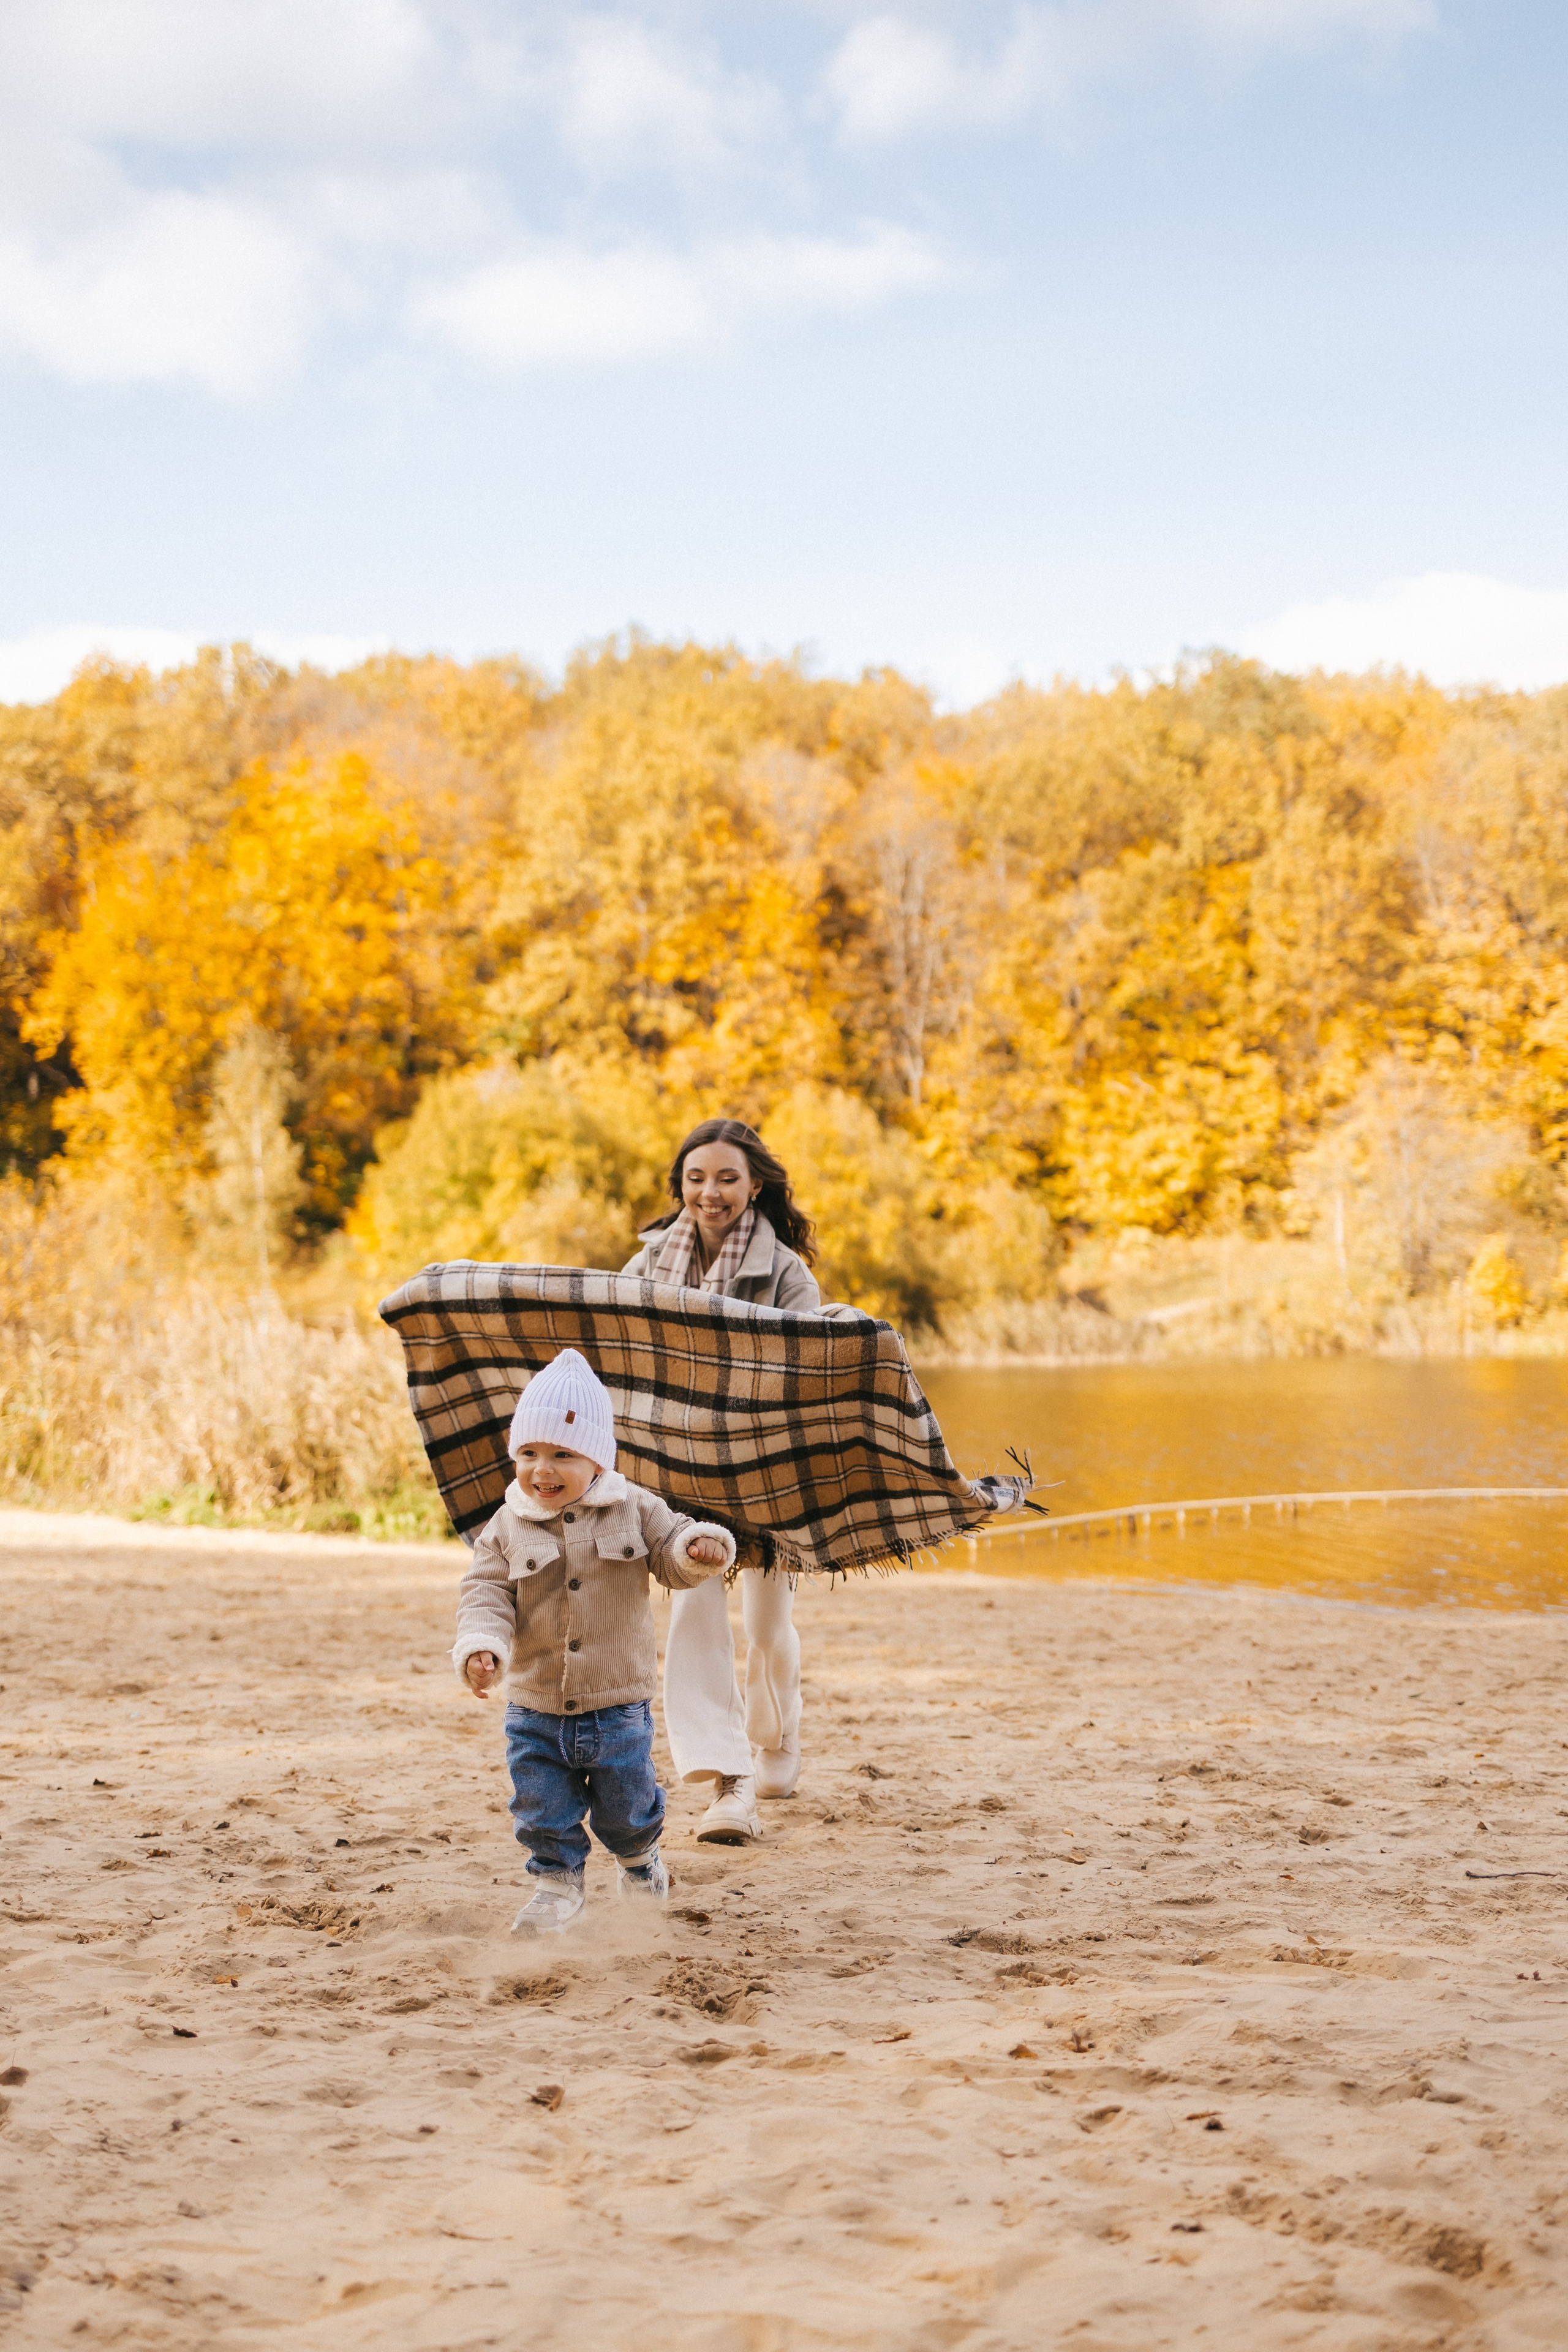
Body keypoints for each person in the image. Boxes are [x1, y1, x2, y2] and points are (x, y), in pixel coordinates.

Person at [453, 1347, 735, 1937]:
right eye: (528, 1453)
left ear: (598, 1461)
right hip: (535, 1705)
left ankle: (639, 1864)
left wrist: (699, 1548)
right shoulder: (506, 1525)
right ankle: (556, 1883)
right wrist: (483, 1644)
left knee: (627, 1807)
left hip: (618, 1704)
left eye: (562, 1454)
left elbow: (674, 1550)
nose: (542, 1469)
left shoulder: (634, 1508)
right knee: (540, 1806)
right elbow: (485, 1592)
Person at [621, 1117, 821, 1846]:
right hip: (682, 1480)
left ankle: (778, 1738)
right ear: (680, 1185)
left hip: (769, 1473)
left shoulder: (788, 1275)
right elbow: (619, 1362)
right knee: (695, 1613)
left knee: (769, 1628)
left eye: (727, 1177)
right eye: (696, 1177)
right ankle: (729, 1782)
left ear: (755, 1185)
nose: (710, 1192)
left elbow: (810, 1372)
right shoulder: (642, 1269)